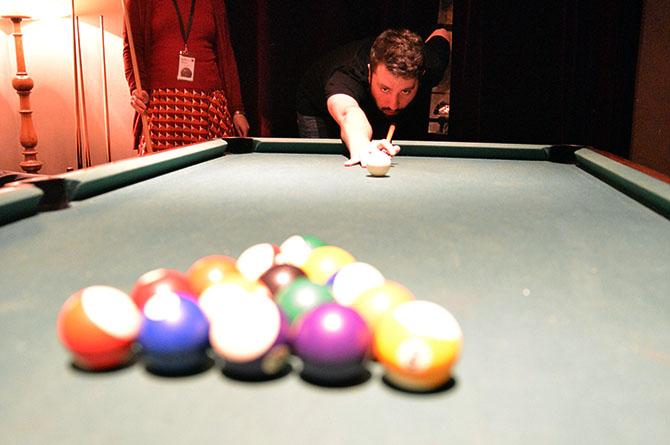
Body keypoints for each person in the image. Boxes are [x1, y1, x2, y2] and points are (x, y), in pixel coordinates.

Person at [296, 28, 450, 167]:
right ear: (370, 73)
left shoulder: (431, 65)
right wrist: (361, 144)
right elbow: (347, 112)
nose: (393, 104)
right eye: (385, 89)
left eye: (405, 91)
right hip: (318, 108)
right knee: (324, 166)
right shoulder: (346, 75)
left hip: (368, 102)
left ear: (421, 76)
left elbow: (442, 32)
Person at [123, 0, 249, 153]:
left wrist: (237, 109)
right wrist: (137, 88)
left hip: (208, 104)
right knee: (164, 168)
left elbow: (226, 54)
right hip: (162, 106)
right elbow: (132, 49)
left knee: (212, 167)